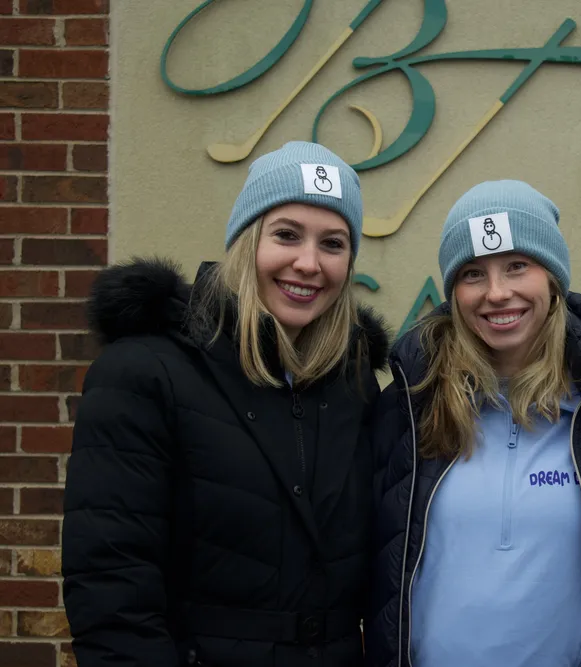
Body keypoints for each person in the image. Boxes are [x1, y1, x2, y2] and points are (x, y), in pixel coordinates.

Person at [62, 142, 389, 667]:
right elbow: (111, 583)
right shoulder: (145, 372)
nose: (308, 263)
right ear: (246, 240)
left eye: (333, 243)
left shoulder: (353, 386)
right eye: (286, 235)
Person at [366, 180, 581, 667]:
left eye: (517, 266)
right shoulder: (410, 405)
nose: (497, 293)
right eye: (473, 274)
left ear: (553, 279)